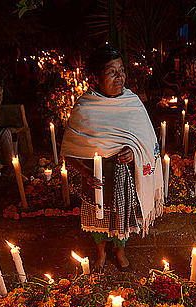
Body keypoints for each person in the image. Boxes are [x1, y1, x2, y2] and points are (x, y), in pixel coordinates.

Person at [61, 45, 164, 270]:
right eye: (111, 72)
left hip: (124, 178)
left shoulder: (133, 103)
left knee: (122, 218)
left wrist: (135, 152)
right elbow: (68, 151)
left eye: (122, 70)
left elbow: (148, 143)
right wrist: (85, 172)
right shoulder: (84, 107)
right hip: (96, 179)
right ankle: (100, 253)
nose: (120, 78)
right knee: (97, 219)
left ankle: (120, 250)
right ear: (96, 78)